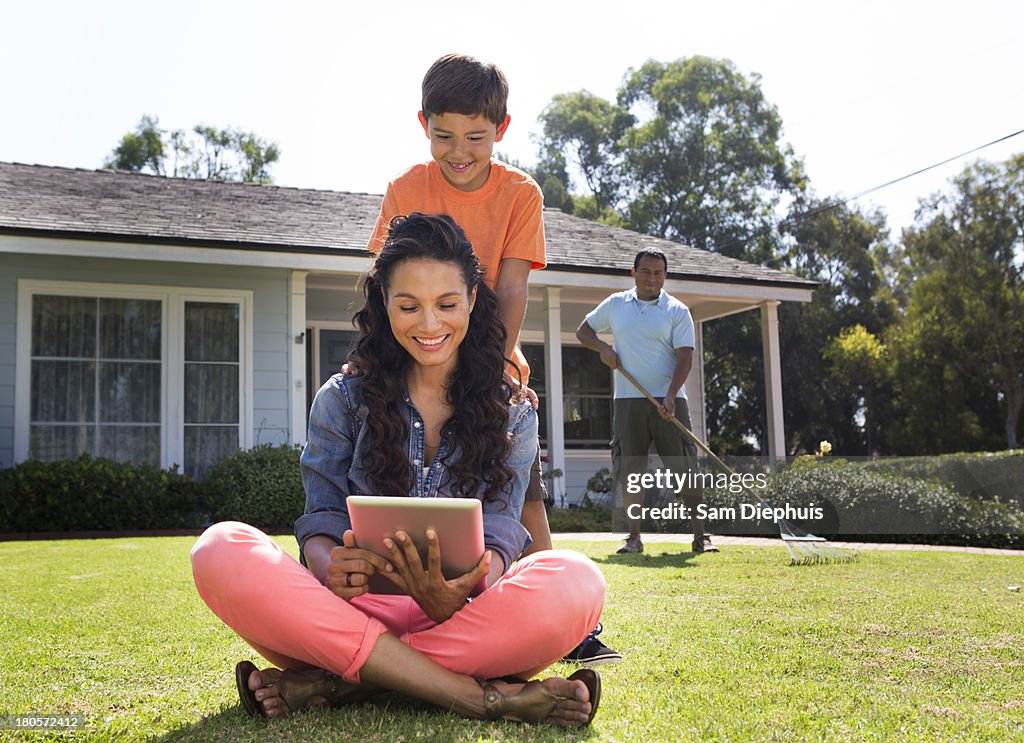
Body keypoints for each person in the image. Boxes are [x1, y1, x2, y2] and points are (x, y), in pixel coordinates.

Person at [191, 214, 605, 726]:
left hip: (463, 616)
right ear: (384, 303)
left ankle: (342, 681)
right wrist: (329, 568)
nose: (430, 326)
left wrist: (467, 588)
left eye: (447, 305)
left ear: (473, 301)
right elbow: (320, 516)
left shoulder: (514, 411)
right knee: (219, 548)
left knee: (579, 580)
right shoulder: (342, 398)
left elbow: (501, 530)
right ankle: (478, 697)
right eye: (409, 306)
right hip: (349, 613)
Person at [366, 52, 619, 665]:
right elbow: (382, 280)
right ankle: (395, 609)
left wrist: (495, 367)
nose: (458, 151)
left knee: (520, 486)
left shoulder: (519, 194)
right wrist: (377, 358)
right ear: (422, 123)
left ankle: (569, 623)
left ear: (501, 130)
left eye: (475, 138)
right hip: (418, 354)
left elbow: (510, 289)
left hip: (488, 357)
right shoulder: (406, 188)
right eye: (443, 136)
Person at [576, 248, 719, 555]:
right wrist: (603, 348)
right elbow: (583, 331)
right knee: (631, 470)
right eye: (646, 271)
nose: (652, 278)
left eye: (658, 272)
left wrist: (669, 395)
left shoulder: (677, 311)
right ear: (634, 272)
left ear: (665, 275)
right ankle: (633, 538)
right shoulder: (615, 305)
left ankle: (701, 536)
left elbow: (685, 358)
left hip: (671, 402)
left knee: (685, 469)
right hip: (628, 401)